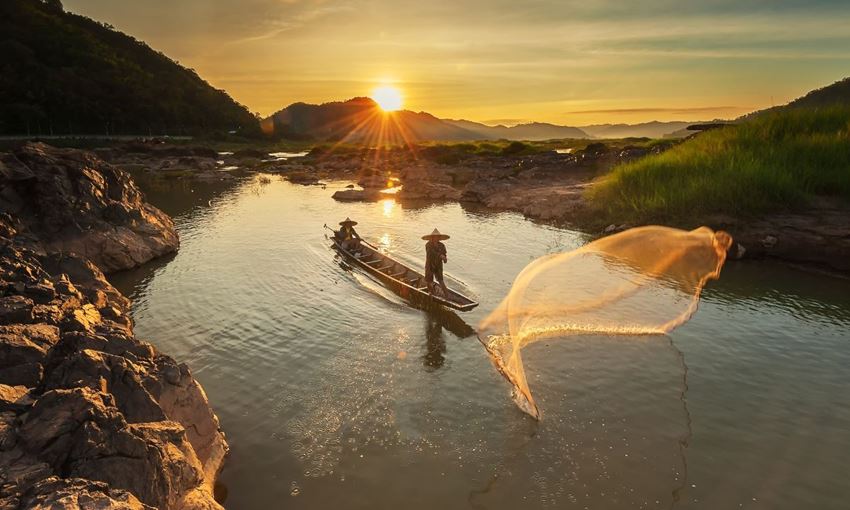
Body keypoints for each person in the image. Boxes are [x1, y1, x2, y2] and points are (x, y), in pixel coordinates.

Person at [422, 228, 449, 295]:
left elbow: (444, 253)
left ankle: (447, 295)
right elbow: (431, 253)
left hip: (438, 265)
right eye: (435, 237)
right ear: (432, 237)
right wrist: (440, 256)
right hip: (430, 264)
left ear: (439, 238)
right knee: (429, 280)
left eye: (437, 237)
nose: (436, 238)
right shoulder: (428, 245)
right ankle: (431, 293)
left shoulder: (442, 245)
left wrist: (445, 258)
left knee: (440, 280)